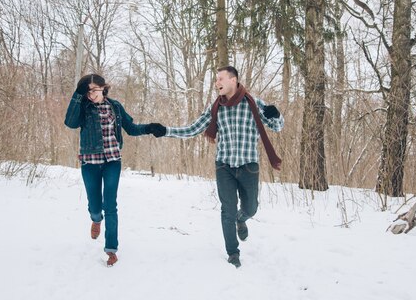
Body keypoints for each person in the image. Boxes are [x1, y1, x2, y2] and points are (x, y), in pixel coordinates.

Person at [147, 66, 284, 268]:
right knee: (227, 210)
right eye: (215, 79)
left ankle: (242, 219)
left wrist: (276, 114)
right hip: (224, 166)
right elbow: (193, 129)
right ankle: (233, 252)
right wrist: (166, 130)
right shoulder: (216, 107)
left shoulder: (253, 103)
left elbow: (277, 127)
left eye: (220, 78)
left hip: (249, 165)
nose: (216, 83)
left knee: (251, 208)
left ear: (233, 80)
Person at [64, 73, 156, 267]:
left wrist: (150, 128)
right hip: (90, 162)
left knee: (110, 204)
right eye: (87, 92)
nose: (91, 95)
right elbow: (70, 122)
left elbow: (131, 128)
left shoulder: (115, 106)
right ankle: (96, 219)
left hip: (112, 161)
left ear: (102, 88)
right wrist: (77, 95)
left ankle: (111, 249)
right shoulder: (83, 107)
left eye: (94, 90)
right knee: (95, 206)